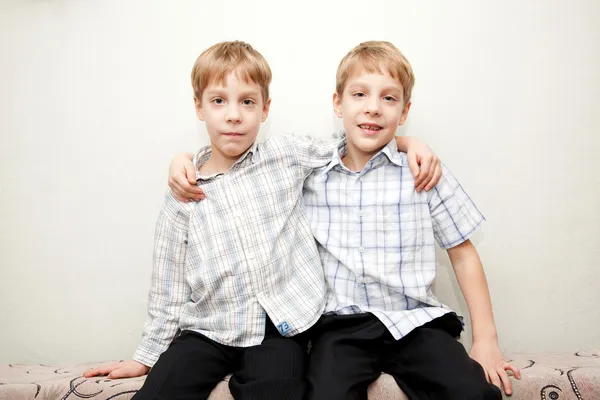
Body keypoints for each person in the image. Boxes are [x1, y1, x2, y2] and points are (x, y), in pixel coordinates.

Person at [85, 40, 441, 400]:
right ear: (199, 107)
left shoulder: (285, 156)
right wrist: (146, 357)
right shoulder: (185, 189)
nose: (234, 115)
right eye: (219, 101)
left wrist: (408, 142)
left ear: (265, 108)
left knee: (279, 389)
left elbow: (351, 143)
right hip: (208, 328)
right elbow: (168, 286)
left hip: (279, 331)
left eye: (247, 102)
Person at [169, 41, 521, 399]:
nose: (373, 108)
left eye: (388, 98)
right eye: (359, 94)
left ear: (404, 111)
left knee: (470, 392)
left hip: (416, 321)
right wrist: (185, 160)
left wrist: (486, 340)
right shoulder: (311, 173)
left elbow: (462, 253)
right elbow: (245, 177)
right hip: (341, 327)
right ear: (338, 103)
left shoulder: (422, 172)